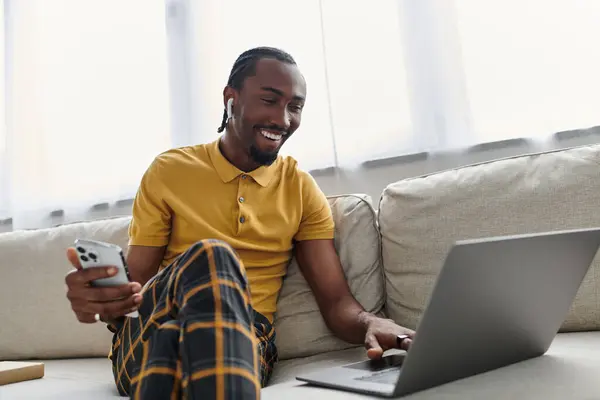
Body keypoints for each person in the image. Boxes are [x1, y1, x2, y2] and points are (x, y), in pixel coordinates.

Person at [64, 46, 415, 399]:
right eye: (269, 100)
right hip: (147, 338)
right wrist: (105, 303)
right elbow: (136, 288)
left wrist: (372, 321)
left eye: (295, 107)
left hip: (248, 339)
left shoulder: (300, 189)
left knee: (174, 343)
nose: (283, 119)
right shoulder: (169, 171)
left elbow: (337, 303)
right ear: (231, 99)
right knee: (212, 259)